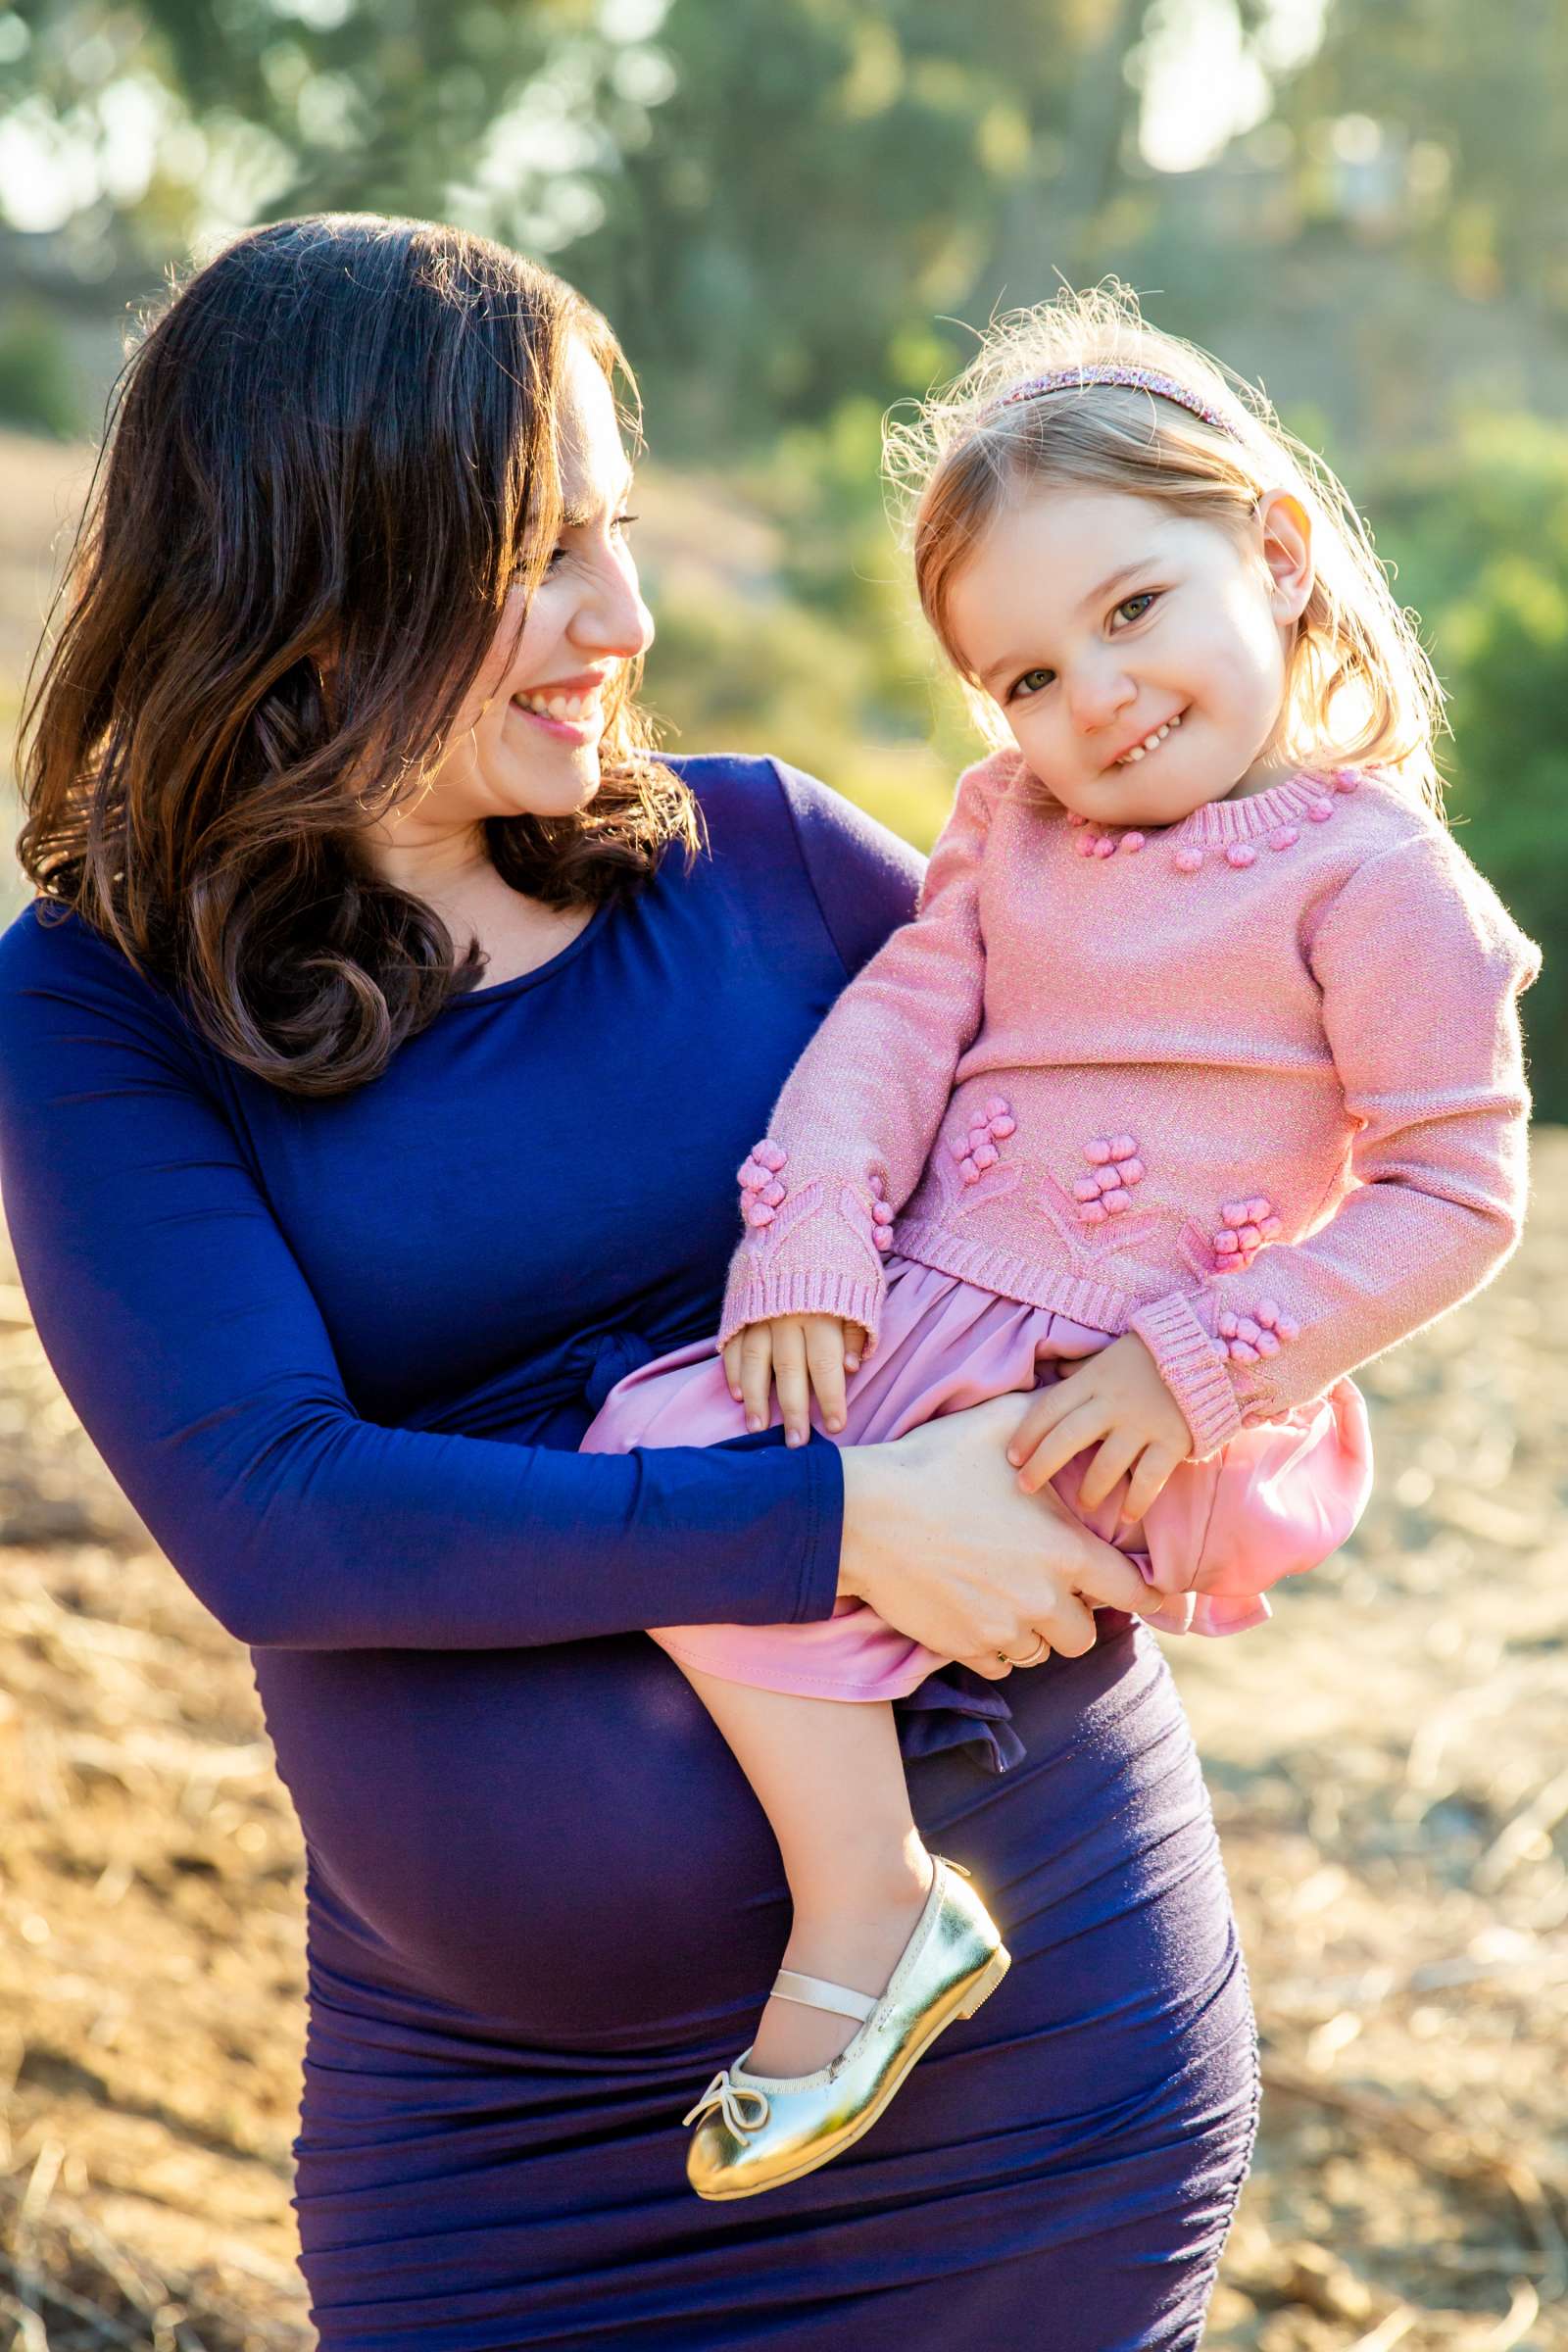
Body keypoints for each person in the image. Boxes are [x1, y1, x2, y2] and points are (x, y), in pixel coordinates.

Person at [0, 222, 1259, 2350]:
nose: (627, 618)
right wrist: (847, 1519)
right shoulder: (102, 1004)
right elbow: (276, 1514)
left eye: (623, 530)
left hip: (1023, 2090)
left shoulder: (772, 858)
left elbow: (1178, 1129)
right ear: (321, 565)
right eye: (540, 554)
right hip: (505, 2163)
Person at [582, 284, 1541, 2200]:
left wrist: (1195, 1368)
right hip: (929, 1311)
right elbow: (891, 1027)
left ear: (1268, 559)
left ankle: (866, 1912)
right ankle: (864, 1880)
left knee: (685, 1493)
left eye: (1128, 613)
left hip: (1125, 1383)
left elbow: (1460, 1190)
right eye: (1020, 675)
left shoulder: (1375, 881)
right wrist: (809, 1239)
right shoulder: (1001, 828)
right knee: (653, 1462)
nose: (1085, 698)